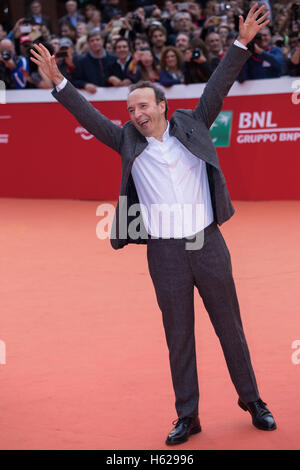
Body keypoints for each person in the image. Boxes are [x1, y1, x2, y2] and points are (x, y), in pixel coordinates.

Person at [30, 4, 277, 446]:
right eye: (130, 108)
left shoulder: (194, 122)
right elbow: (88, 116)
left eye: (142, 105)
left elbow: (218, 85)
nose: (136, 113)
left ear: (162, 106)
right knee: (178, 336)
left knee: (230, 328)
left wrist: (241, 42)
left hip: (208, 242)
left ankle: (253, 400)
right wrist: (59, 82)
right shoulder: (124, 139)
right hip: (164, 253)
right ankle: (188, 416)